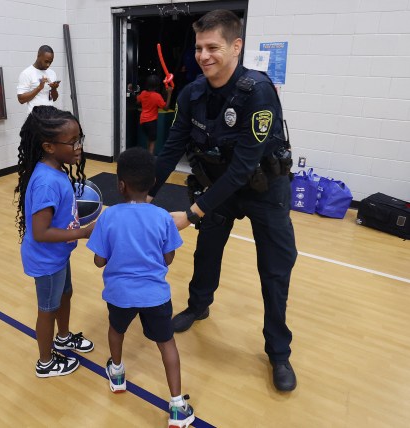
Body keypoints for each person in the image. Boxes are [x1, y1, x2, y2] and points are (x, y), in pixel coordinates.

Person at [148, 10, 298, 392]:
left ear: (236, 46)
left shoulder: (258, 93)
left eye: (213, 47)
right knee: (207, 253)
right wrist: (143, 194)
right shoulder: (192, 92)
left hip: (265, 191)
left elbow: (244, 167)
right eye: (199, 47)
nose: (203, 55)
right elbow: (171, 149)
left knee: (275, 270)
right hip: (219, 188)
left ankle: (278, 352)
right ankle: (199, 305)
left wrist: (192, 213)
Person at [87, 147, 195, 428]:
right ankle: (177, 407)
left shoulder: (108, 218)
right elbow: (168, 257)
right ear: (152, 184)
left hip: (119, 295)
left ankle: (118, 373)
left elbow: (99, 261)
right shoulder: (162, 217)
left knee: (116, 330)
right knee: (166, 343)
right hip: (155, 295)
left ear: (120, 185)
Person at [15, 105, 95, 377]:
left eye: (79, 139)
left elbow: (60, 220)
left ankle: (63, 337)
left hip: (59, 254)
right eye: (72, 142)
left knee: (66, 294)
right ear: (49, 146)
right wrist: (83, 232)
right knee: (47, 309)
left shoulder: (57, 171)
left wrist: (80, 226)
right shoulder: (47, 182)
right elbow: (41, 232)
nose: (78, 147)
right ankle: (46, 362)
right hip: (46, 259)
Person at [17, 45, 60, 113]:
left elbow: (54, 99)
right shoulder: (27, 73)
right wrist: (39, 88)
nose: (48, 65)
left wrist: (54, 89)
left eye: (50, 62)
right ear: (38, 56)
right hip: (35, 118)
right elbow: (21, 100)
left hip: (50, 116)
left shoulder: (52, 73)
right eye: (46, 61)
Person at [137, 75, 173, 154]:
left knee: (149, 139)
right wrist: (169, 94)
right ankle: (150, 160)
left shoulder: (143, 93)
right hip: (151, 122)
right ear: (157, 86)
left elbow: (137, 100)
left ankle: (147, 156)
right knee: (152, 141)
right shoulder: (157, 96)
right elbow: (166, 108)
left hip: (143, 121)